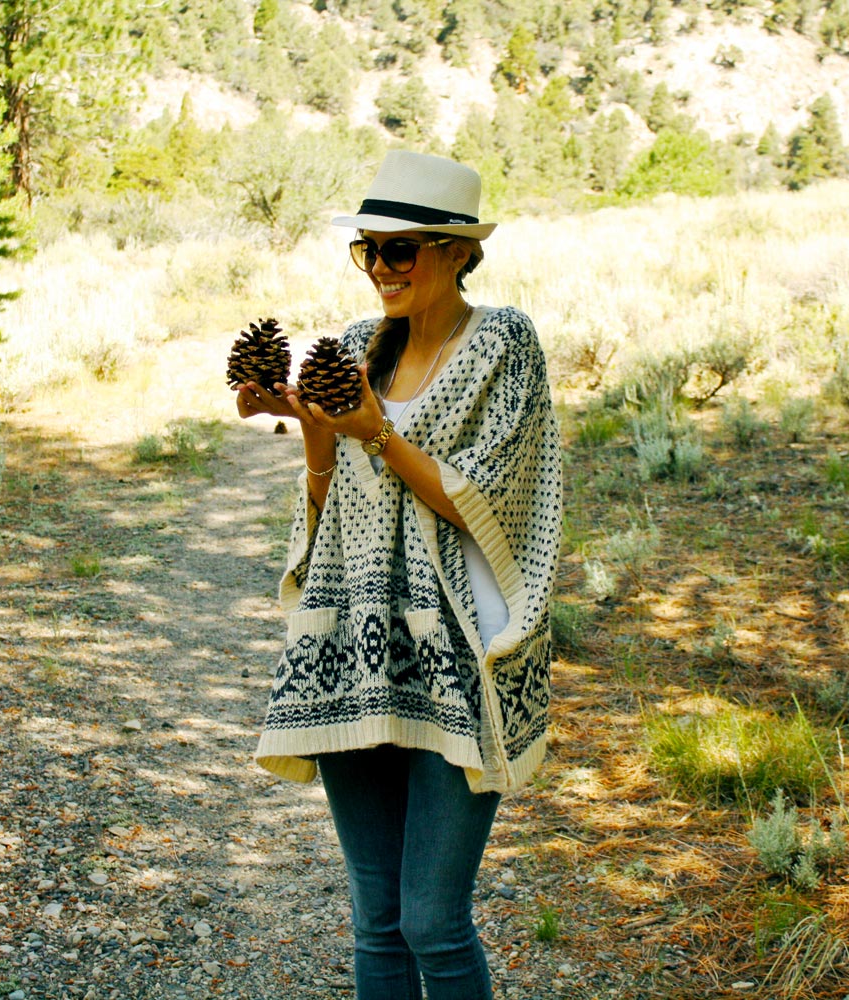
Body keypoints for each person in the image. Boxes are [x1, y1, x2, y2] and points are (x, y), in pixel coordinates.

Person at [233, 149, 563, 1000]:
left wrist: (376, 431)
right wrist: (311, 424)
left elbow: (485, 500)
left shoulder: (503, 343)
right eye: (367, 251)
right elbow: (330, 498)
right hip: (356, 647)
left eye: (400, 250)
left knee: (431, 919)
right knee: (376, 919)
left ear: (457, 252)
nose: (380, 269)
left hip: (459, 650)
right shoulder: (353, 347)